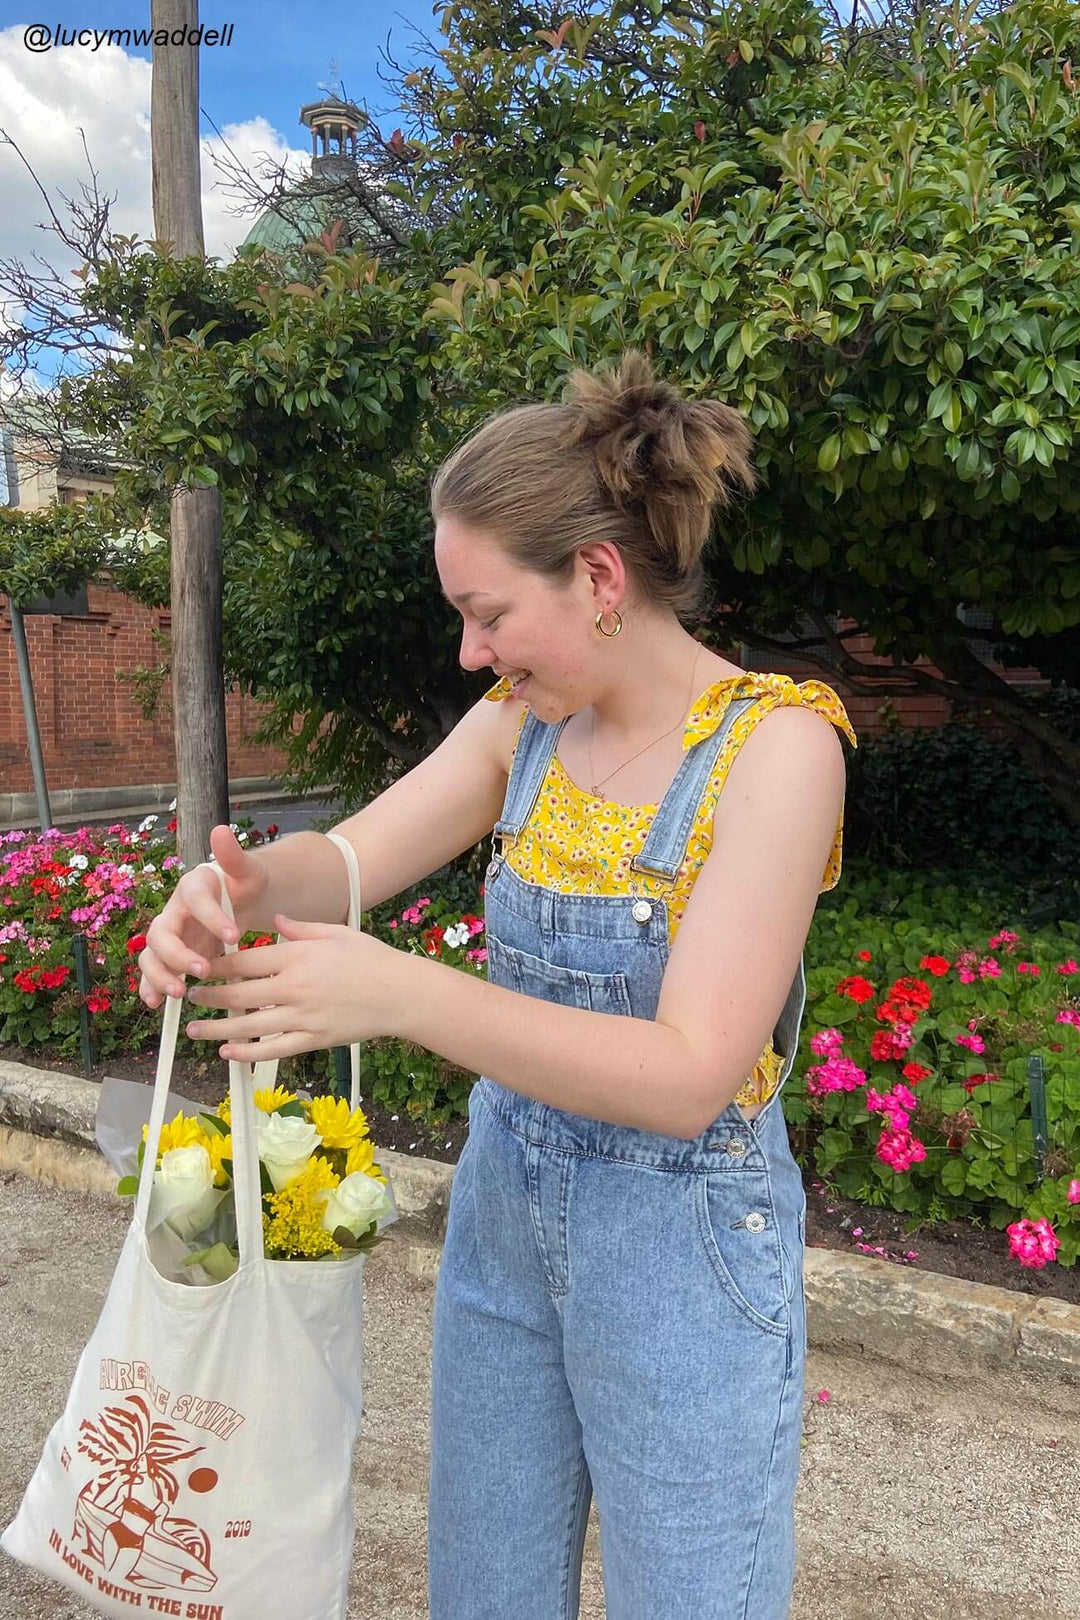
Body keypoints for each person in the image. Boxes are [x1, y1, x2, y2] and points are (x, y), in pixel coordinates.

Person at [139, 348, 857, 1618]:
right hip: (505, 1219)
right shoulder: (524, 723)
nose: (470, 655)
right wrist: (238, 893)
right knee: (485, 1592)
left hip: (685, 1252)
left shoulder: (779, 749)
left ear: (596, 579)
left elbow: (693, 1074)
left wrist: (407, 995)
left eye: (485, 614)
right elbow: (352, 858)